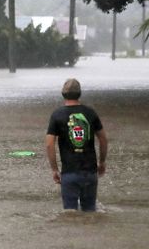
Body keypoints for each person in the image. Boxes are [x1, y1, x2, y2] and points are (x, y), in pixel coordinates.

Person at [45, 78, 108, 212]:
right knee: (90, 212)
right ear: (79, 93)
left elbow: (49, 145)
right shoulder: (90, 113)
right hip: (90, 172)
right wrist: (101, 162)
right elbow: (103, 139)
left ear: (63, 94)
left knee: (70, 214)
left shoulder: (57, 115)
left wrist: (54, 169)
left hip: (69, 172)